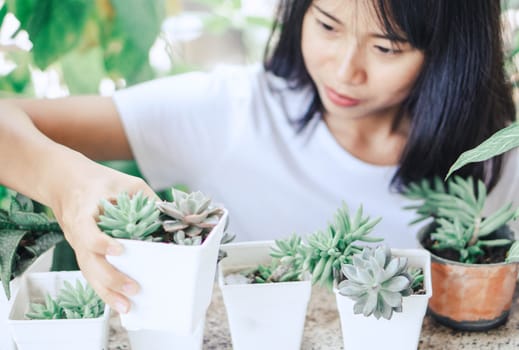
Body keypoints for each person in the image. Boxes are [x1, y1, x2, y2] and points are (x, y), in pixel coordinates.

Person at [1, 0, 517, 315]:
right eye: (328, 26)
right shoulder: (232, 111)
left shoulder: (496, 152)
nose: (344, 70)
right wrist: (63, 183)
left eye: (386, 48)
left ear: (452, 51)